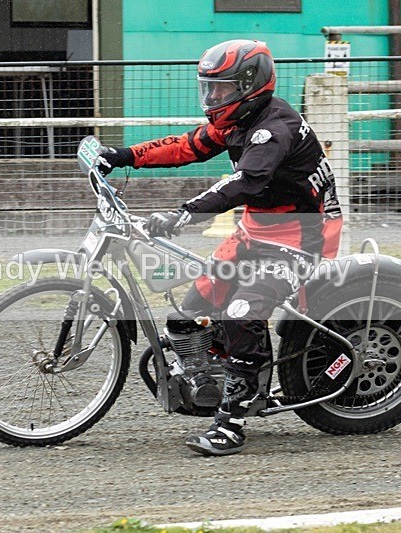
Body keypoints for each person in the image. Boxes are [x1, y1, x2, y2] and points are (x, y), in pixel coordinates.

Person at [95, 39, 343, 456]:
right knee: (191, 313)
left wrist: (183, 213)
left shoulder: (272, 129)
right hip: (257, 230)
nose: (212, 97)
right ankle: (226, 374)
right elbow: (186, 146)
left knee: (241, 313)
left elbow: (243, 183)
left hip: (303, 237)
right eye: (209, 87)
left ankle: (232, 421)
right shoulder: (237, 121)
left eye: (222, 88)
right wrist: (120, 156)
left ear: (251, 86)